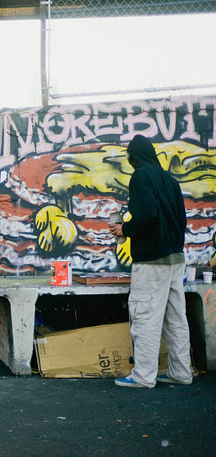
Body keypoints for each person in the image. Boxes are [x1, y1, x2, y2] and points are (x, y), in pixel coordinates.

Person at [108, 134, 192, 388]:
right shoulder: (170, 179)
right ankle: (181, 373)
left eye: (127, 154)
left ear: (133, 156)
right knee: (176, 319)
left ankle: (143, 376)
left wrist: (125, 229)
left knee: (145, 317)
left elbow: (146, 215)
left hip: (152, 260)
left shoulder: (141, 177)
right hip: (175, 258)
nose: (127, 158)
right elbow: (180, 218)